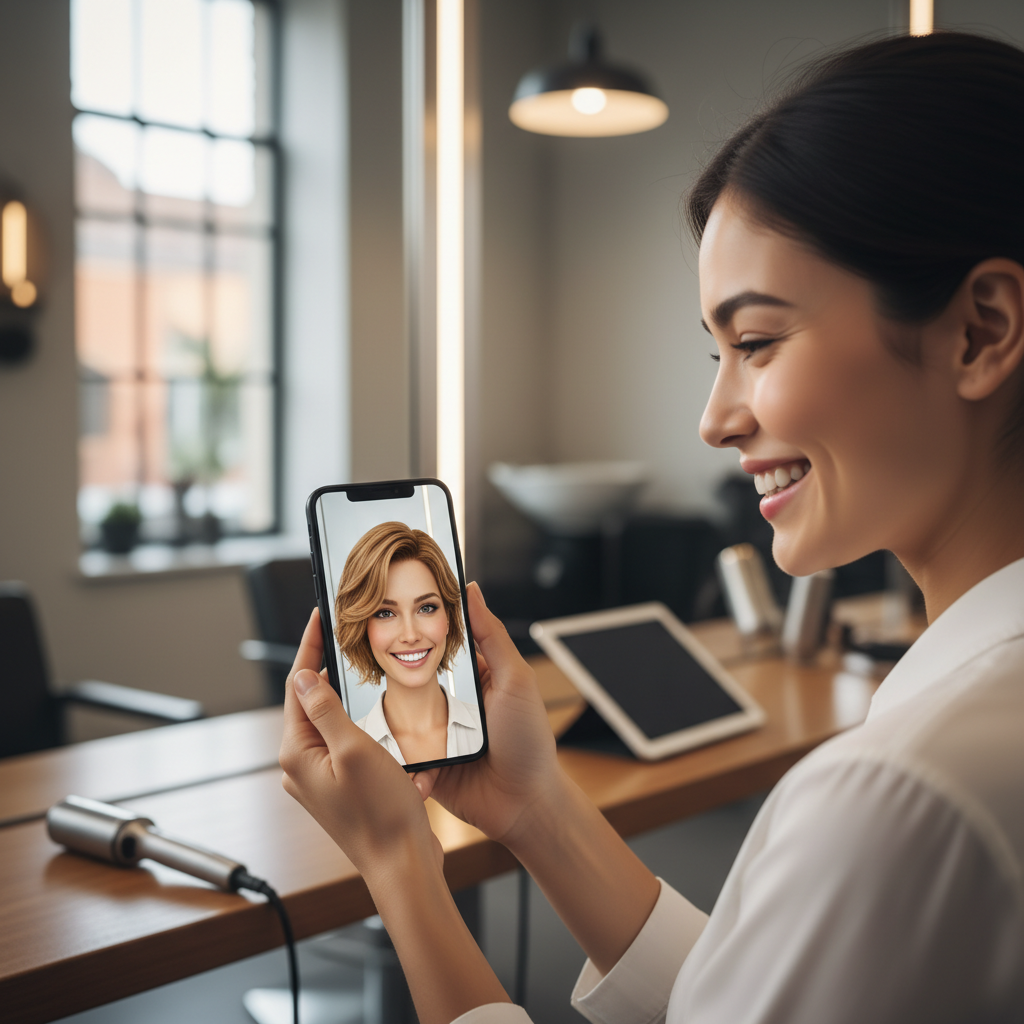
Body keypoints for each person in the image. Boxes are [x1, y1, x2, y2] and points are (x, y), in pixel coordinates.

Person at [279, 32, 1024, 1024]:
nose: (714, 420)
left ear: (980, 330)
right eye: (718, 353)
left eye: (756, 341)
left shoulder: (898, 796)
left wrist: (395, 864)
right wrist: (536, 809)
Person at [334, 521, 482, 766]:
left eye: (426, 608)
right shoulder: (348, 754)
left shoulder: (493, 731)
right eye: (385, 613)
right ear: (363, 628)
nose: (410, 635)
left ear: (448, 617)